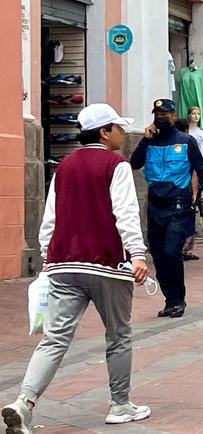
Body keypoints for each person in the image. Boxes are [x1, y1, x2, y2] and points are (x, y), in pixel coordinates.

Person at [2, 104, 152, 433]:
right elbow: (125, 213)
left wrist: (47, 258)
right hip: (107, 265)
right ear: (104, 132)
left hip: (62, 265)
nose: (122, 132)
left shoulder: (64, 167)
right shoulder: (117, 165)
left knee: (54, 340)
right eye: (117, 127)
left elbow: (49, 219)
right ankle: (120, 404)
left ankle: (24, 402)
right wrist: (138, 254)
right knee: (119, 335)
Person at [130, 99, 203, 318]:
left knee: (171, 252)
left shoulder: (186, 141)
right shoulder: (150, 142)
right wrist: (144, 141)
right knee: (157, 255)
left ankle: (178, 299)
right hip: (155, 204)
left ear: (174, 115)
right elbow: (134, 163)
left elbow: (201, 170)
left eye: (164, 113)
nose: (160, 117)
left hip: (178, 203)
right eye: (156, 113)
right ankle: (170, 300)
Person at [175, 118, 201, 262]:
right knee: (189, 219)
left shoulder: (168, 142)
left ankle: (179, 248)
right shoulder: (189, 141)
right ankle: (186, 249)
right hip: (185, 189)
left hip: (171, 190)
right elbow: (195, 171)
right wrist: (195, 192)